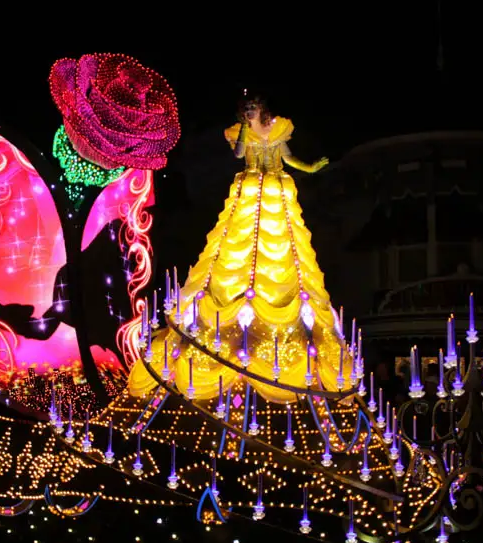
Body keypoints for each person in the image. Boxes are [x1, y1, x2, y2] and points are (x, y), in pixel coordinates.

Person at [126, 94, 335, 403]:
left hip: (275, 190)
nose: (250, 112)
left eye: (254, 108)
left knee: (286, 257)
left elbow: (287, 157)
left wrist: (310, 167)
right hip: (249, 191)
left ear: (262, 109)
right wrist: (244, 131)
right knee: (231, 255)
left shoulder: (279, 129)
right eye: (246, 109)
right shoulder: (239, 132)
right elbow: (239, 154)